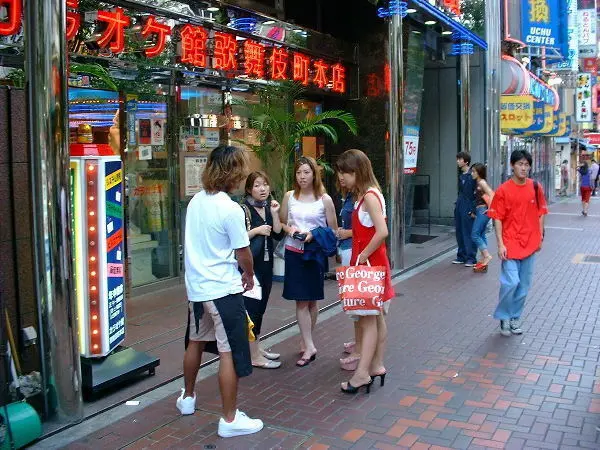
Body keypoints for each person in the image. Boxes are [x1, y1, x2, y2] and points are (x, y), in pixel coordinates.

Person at [177, 145, 264, 438]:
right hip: (223, 290)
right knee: (229, 352)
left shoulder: (195, 202)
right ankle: (229, 420)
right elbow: (243, 253)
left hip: (197, 289)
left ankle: (187, 398)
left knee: (196, 341)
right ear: (233, 172)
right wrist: (250, 276)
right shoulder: (230, 209)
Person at [336, 149, 395, 394]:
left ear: (357, 171)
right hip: (374, 264)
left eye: (345, 172)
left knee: (370, 320)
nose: (341, 177)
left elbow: (382, 231)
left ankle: (362, 374)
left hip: (369, 265)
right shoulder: (369, 194)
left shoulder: (369, 196)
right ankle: (376, 365)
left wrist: (361, 256)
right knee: (377, 318)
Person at [280, 156, 338, 367]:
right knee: (301, 300)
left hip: (314, 254)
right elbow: (282, 222)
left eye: (306, 172)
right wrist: (291, 230)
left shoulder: (325, 199)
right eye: (298, 172)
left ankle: (307, 342)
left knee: (312, 300)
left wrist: (314, 234)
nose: (302, 176)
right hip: (294, 252)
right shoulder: (289, 196)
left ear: (314, 173)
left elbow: (333, 230)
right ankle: (309, 345)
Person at [487, 149, 547, 337]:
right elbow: (497, 218)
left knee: (524, 286)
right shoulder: (503, 190)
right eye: (520, 164)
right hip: (510, 243)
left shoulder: (536, 187)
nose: (524, 168)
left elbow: (541, 212)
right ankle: (504, 315)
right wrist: (500, 244)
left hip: (530, 244)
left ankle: (515, 317)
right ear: (512, 165)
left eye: (526, 164)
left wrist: (540, 238)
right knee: (511, 282)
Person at [241, 172, 284, 369]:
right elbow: (238, 238)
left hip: (266, 266)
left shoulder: (268, 207)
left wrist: (275, 213)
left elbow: (277, 233)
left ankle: (255, 348)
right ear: (249, 189)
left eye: (265, 184)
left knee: (261, 308)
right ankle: (253, 355)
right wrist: (257, 231)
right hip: (251, 267)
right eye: (257, 185)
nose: (263, 189)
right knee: (252, 309)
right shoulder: (243, 209)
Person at [336, 172, 361, 371]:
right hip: (347, 249)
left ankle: (360, 350)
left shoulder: (365, 196)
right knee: (353, 302)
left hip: (355, 251)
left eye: (345, 172)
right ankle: (358, 342)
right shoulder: (350, 196)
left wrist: (348, 233)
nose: (341, 177)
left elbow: (376, 229)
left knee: (358, 303)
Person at [452, 152, 477, 267]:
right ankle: (461, 256)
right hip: (460, 205)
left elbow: (476, 194)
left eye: (459, 159)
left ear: (466, 161)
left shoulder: (472, 175)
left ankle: (471, 257)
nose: (457, 161)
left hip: (468, 205)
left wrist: (473, 209)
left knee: (468, 231)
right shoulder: (461, 175)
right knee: (459, 231)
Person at [470, 163, 495, 272]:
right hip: (481, 211)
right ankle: (483, 258)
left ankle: (487, 256)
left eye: (474, 171)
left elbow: (492, 194)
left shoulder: (482, 182)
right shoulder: (478, 182)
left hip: (483, 211)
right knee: (481, 234)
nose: (472, 173)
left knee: (475, 234)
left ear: (479, 172)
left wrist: (490, 209)